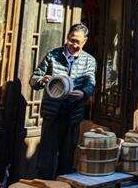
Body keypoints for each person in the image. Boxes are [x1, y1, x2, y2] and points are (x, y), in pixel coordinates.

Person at [30, 23, 96, 179]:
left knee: (66, 161)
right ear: (67, 37)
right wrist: (41, 80)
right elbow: (33, 80)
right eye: (71, 40)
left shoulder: (89, 60)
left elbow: (91, 84)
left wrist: (83, 94)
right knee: (46, 160)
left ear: (85, 41)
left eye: (78, 42)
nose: (74, 45)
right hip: (52, 115)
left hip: (73, 116)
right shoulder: (53, 55)